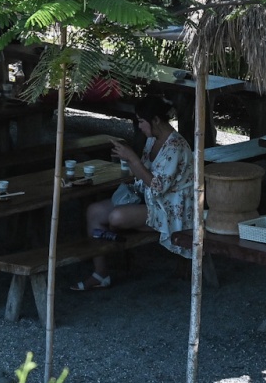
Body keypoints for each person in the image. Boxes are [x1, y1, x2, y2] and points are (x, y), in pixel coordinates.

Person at [71, 95, 194, 291]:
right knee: (93, 211)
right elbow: (142, 174)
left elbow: (157, 186)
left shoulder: (176, 147)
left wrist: (133, 159)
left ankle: (122, 231)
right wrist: (127, 159)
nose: (140, 126)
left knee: (116, 217)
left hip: (169, 208)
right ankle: (100, 274)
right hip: (146, 198)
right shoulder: (152, 139)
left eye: (142, 121)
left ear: (156, 120)